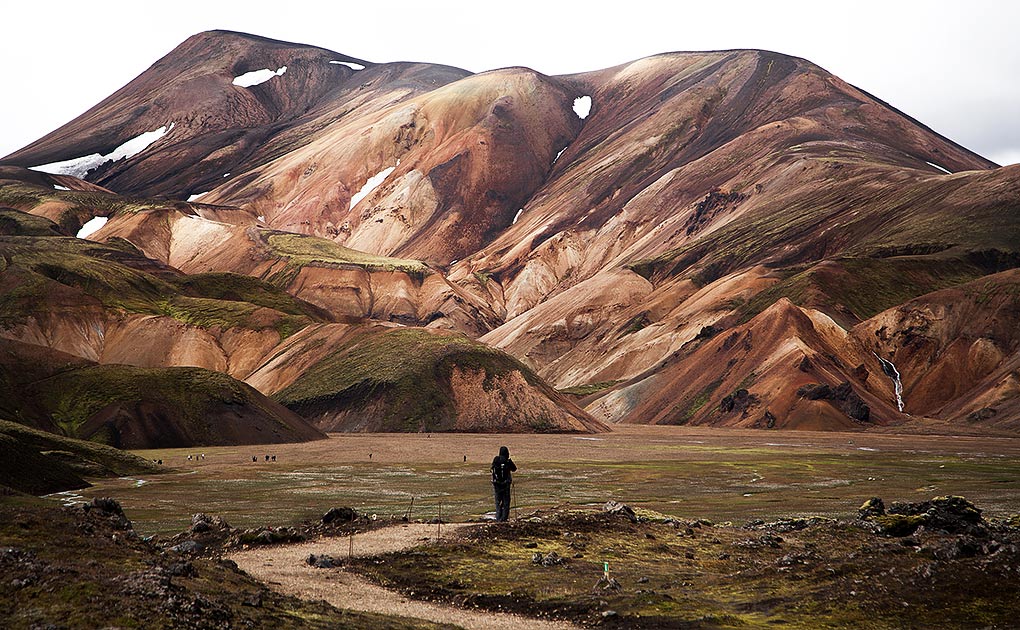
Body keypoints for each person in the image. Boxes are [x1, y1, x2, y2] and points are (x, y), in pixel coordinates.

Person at [490, 446, 517, 522]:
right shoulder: (507, 461)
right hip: (506, 485)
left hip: (497, 485)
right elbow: (514, 469)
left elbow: (492, 468)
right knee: (506, 502)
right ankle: (504, 519)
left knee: (498, 502)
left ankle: (498, 519)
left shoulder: (496, 460)